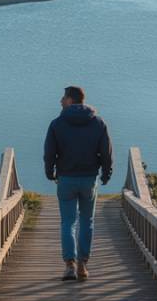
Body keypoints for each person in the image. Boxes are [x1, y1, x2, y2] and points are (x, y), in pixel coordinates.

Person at [43, 85, 113, 281]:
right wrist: (106, 174)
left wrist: (50, 173)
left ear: (71, 100)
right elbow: (106, 153)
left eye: (63, 98)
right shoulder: (98, 123)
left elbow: (49, 153)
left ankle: (69, 266)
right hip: (89, 179)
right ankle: (83, 264)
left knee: (67, 221)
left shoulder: (57, 124)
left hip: (65, 178)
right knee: (86, 221)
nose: (60, 101)